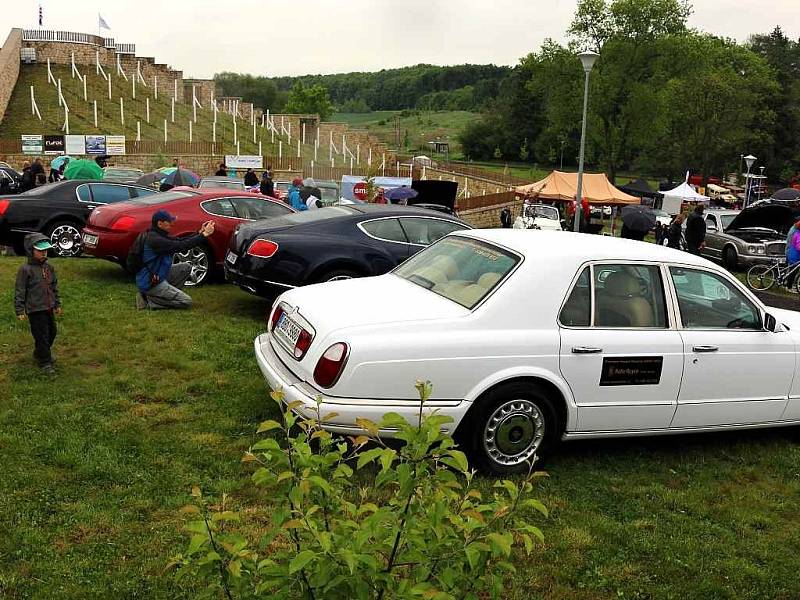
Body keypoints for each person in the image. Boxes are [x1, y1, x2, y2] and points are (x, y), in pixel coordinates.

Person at [134, 210, 215, 310]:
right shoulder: (155, 240)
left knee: (186, 267)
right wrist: (204, 234)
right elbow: (181, 246)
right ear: (160, 223)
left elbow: (179, 241)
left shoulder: (157, 235)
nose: (172, 223)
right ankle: (149, 301)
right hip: (151, 282)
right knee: (186, 301)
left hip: (159, 275)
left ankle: (160, 295)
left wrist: (199, 233)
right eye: (169, 221)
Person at [14, 233, 62, 375]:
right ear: (31, 250)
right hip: (35, 309)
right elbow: (20, 290)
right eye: (40, 251)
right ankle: (45, 362)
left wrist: (57, 303)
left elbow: (53, 287)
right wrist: (20, 309)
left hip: (48, 307)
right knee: (42, 336)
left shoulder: (49, 268)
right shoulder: (25, 270)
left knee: (52, 332)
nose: (44, 253)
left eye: (45, 250)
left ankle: (40, 352)